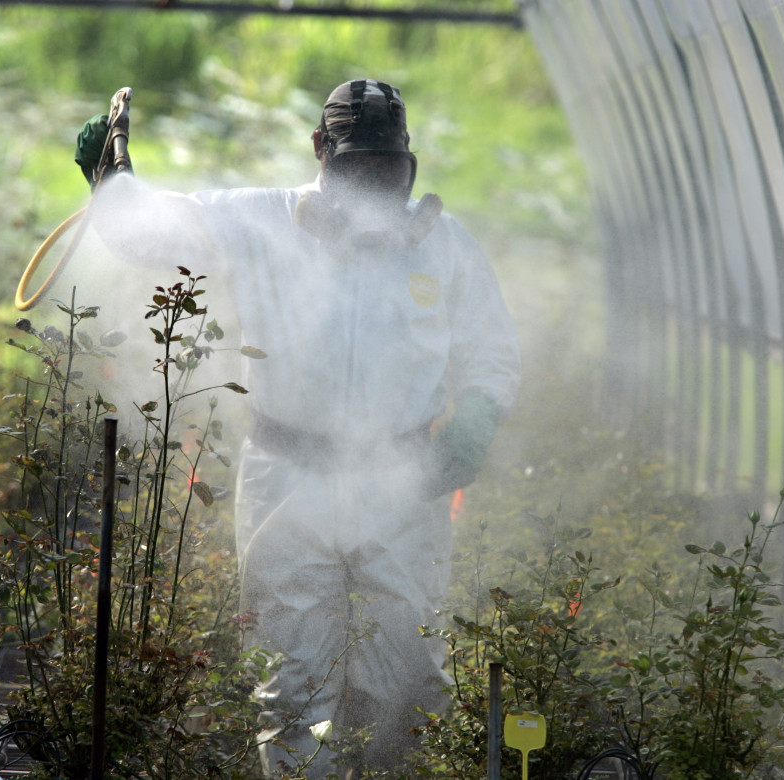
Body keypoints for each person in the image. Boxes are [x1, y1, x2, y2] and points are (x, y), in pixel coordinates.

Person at [75, 78, 521, 777]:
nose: (372, 185)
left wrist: (476, 424)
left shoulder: (445, 245)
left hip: (403, 482)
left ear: (407, 163)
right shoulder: (259, 220)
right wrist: (109, 177)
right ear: (320, 151)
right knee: (293, 687)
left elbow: (490, 349)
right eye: (357, 168)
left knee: (406, 682)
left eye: (386, 169)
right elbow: (148, 230)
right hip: (289, 474)